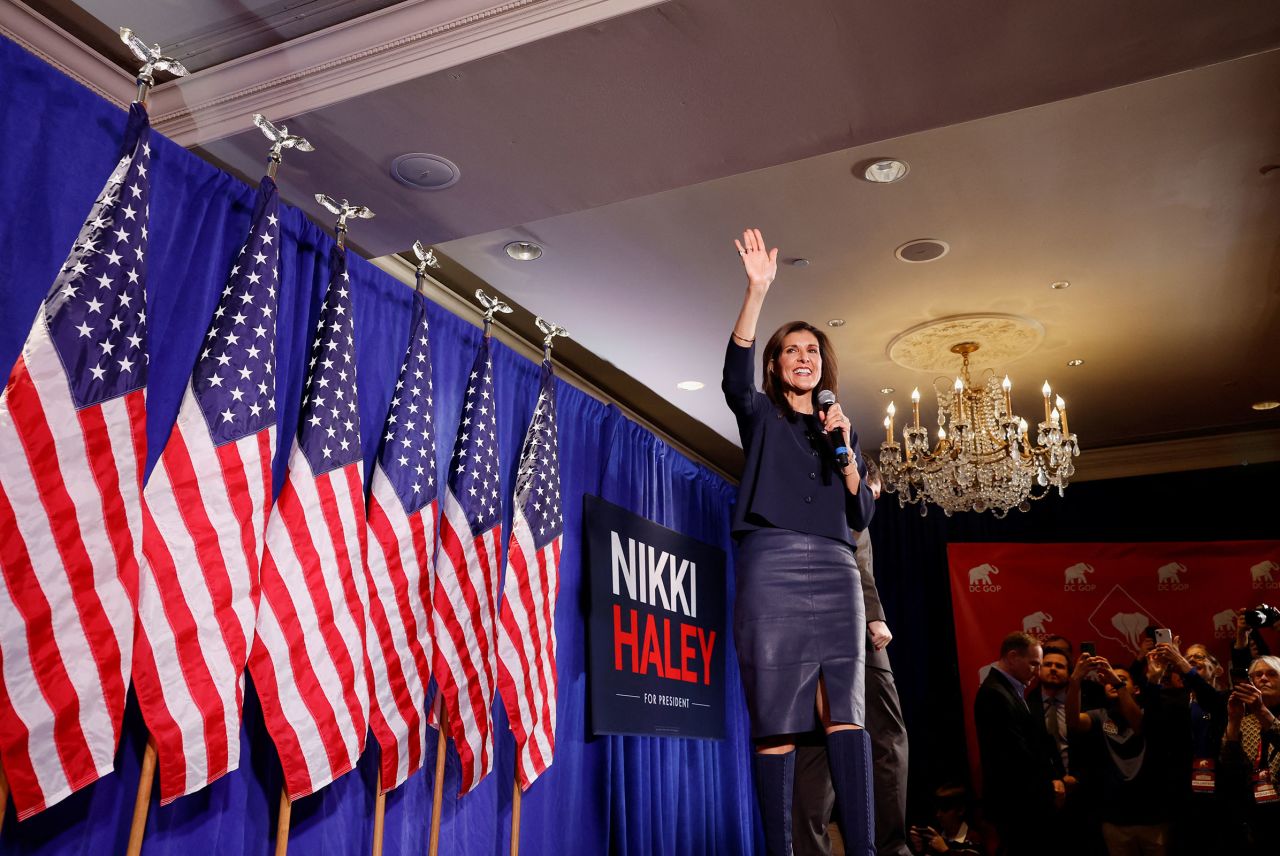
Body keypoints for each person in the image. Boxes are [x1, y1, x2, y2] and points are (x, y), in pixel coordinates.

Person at [723, 228, 876, 856]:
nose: (803, 357)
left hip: (836, 572)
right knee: (777, 713)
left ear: (824, 364)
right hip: (772, 565)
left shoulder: (842, 428)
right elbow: (734, 376)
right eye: (791, 350)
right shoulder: (761, 415)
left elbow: (861, 512)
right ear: (776, 364)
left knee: (846, 709)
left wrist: (845, 454)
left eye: (812, 349)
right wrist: (757, 292)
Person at [793, 460, 911, 856]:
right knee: (887, 738)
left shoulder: (802, 501)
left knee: (817, 743)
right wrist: (875, 617)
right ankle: (891, 848)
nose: (869, 509)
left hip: (803, 640)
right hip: (854, 632)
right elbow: (856, 558)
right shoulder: (848, 501)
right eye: (871, 496)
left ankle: (810, 848)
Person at [1066, 655, 1173, 855]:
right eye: (1108, 681)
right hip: (1115, 819)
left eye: (1122, 679)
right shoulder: (1099, 716)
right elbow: (1072, 722)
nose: (1113, 683)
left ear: (1137, 689)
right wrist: (1075, 681)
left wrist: (1116, 681)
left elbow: (1139, 726)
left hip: (1153, 817)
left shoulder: (1149, 714)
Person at [973, 632, 1063, 855]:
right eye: (1034, 664)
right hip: (1018, 804)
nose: (1037, 671)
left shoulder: (1010, 689)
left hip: (1025, 801)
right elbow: (1015, 753)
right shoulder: (994, 693)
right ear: (1012, 657)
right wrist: (1050, 784)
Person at [1219, 655, 1280, 854]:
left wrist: (1261, 710)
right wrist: (1234, 721)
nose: (1263, 678)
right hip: (1253, 814)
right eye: (1257, 675)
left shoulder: (1261, 712)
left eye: (1272, 673)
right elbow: (1228, 765)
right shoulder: (1246, 720)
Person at [907, 784, 983, 855]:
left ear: (960, 810)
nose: (938, 814)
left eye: (944, 809)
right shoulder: (937, 835)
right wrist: (919, 849)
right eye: (938, 809)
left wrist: (945, 850)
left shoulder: (973, 838)